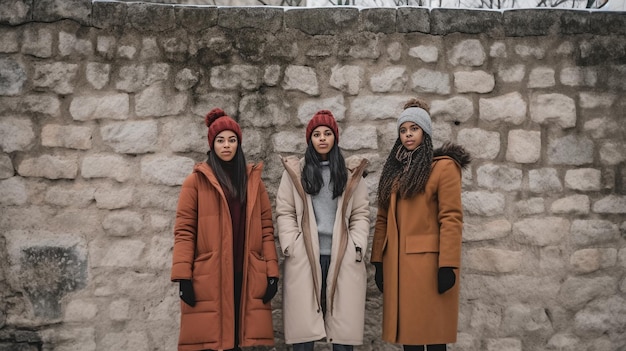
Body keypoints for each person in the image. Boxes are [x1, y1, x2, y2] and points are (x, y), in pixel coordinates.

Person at [170, 108, 280, 351]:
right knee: (213, 342)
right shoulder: (196, 182)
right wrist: (183, 277)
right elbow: (185, 231)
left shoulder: (253, 183)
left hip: (246, 272)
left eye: (232, 140)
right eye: (220, 141)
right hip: (211, 274)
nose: (226, 146)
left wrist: (271, 272)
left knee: (238, 340)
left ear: (238, 144)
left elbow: (265, 229)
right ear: (212, 145)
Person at [370, 98, 470, 351]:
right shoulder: (394, 170)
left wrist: (448, 265)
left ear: (424, 131)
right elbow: (382, 218)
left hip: (429, 266)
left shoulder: (443, 168)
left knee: (434, 338)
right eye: (403, 130)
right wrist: (378, 261)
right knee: (410, 339)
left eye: (413, 129)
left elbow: (451, 218)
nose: (408, 135)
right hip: (397, 266)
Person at [275, 110, 370, 351]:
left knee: (341, 332)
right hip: (305, 255)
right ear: (310, 139)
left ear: (335, 138)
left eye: (327, 133)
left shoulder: (350, 174)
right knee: (303, 333)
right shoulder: (296, 172)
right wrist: (291, 244)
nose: (322, 138)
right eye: (316, 134)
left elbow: (360, 213)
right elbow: (285, 211)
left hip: (342, 256)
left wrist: (356, 245)